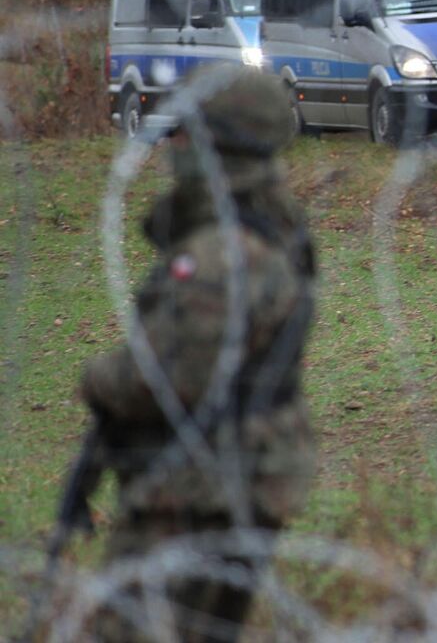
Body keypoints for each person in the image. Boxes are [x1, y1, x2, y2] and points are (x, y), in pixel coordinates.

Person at [79, 66, 317, 642]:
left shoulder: (222, 253)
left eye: (183, 134)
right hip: (232, 475)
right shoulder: (268, 227)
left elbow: (169, 378)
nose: (170, 148)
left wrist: (98, 378)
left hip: (200, 488)